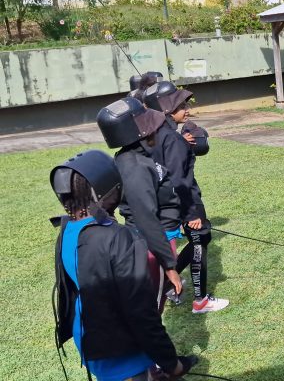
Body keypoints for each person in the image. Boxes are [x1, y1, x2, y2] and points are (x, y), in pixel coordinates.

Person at [51, 150, 198, 381]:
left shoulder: (68, 228)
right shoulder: (119, 238)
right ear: (109, 189)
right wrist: (173, 364)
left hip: (90, 339)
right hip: (120, 349)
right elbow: (141, 310)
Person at [143, 82, 229, 314]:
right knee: (199, 239)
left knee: (200, 239)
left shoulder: (152, 134)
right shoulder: (172, 139)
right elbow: (179, 179)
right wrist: (191, 213)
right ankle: (200, 300)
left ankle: (169, 285)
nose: (187, 109)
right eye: (181, 106)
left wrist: (182, 142)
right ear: (167, 110)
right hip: (184, 200)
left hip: (164, 203)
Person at [96, 97, 183, 309]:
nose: (155, 128)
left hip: (159, 240)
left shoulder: (137, 157)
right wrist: (169, 265)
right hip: (152, 245)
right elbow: (146, 219)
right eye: (149, 123)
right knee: (152, 306)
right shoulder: (134, 166)